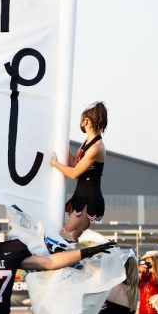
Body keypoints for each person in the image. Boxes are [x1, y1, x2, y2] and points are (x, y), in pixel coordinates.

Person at [50, 102, 107, 242]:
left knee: (64, 235)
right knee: (69, 238)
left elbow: (74, 173)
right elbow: (76, 164)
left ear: (86, 121)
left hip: (88, 198)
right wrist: (63, 145)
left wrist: (54, 163)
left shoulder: (96, 147)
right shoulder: (88, 141)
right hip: (81, 194)